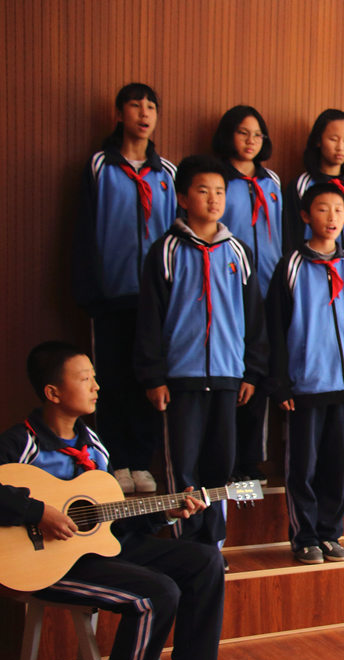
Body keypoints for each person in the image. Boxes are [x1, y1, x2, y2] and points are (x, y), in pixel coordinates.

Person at [0, 341, 244, 660]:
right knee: (158, 592)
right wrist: (36, 512)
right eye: (85, 378)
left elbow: (110, 525)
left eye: (94, 378)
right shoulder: (22, 443)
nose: (96, 387)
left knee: (204, 560)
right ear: (53, 392)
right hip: (44, 564)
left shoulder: (94, 445)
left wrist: (165, 512)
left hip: (92, 552)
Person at [135, 155, 267, 549]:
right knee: (183, 468)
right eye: (203, 191)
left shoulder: (239, 252)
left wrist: (251, 372)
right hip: (182, 378)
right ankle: (188, 548)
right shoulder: (166, 250)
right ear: (182, 198)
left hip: (228, 377)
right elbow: (149, 319)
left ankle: (213, 547)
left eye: (220, 192)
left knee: (220, 466)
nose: (213, 199)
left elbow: (254, 318)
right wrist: (153, 376)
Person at [267, 184, 344, 564]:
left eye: (339, 210)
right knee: (303, 465)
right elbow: (277, 328)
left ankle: (330, 534)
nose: (332, 218)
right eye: (322, 209)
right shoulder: (291, 265)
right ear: (305, 215)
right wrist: (280, 382)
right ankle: (304, 537)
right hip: (307, 383)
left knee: (335, 464)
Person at [73, 82, 176, 496]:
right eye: (135, 106)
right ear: (120, 115)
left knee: (148, 379)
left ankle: (142, 460)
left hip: (156, 300)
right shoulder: (100, 166)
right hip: (111, 294)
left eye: (151, 106)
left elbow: (175, 238)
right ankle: (115, 460)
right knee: (110, 381)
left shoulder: (167, 173)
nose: (144, 113)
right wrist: (90, 291)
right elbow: (84, 229)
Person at [212, 105, 282, 483]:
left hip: (268, 289)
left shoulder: (272, 183)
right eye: (243, 132)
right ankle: (225, 459)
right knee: (229, 375)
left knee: (260, 373)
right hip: (226, 291)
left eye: (257, 134)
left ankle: (250, 461)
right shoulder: (217, 180)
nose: (251, 140)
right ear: (229, 135)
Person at [282, 109, 344, 275]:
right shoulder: (301, 187)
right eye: (333, 139)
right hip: (311, 277)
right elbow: (290, 238)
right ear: (318, 141)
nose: (341, 147)